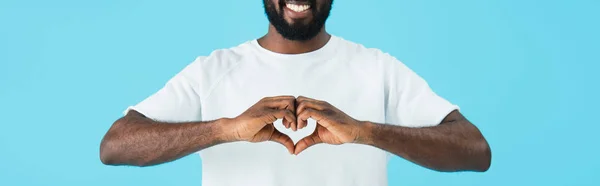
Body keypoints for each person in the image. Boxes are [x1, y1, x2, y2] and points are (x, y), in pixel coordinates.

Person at [99, 0, 492, 185]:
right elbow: (115, 146)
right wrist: (224, 129)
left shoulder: (377, 68)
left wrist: (365, 132)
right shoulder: (213, 70)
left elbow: (475, 151)